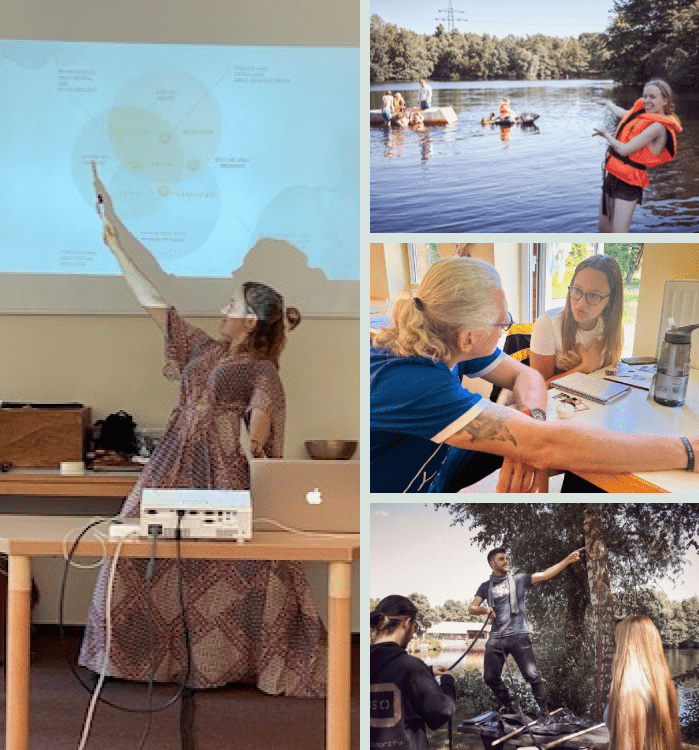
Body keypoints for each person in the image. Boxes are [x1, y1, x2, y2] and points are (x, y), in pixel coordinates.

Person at [78, 166, 326, 697]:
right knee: (133, 552)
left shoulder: (263, 372)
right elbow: (157, 308)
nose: (221, 310)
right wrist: (117, 247)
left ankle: (220, 662)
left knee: (224, 568)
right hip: (172, 458)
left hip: (219, 468)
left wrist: (252, 454)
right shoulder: (204, 350)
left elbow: (260, 440)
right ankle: (145, 659)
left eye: (231, 307)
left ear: (252, 321)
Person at [369, 256, 699, 493]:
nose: (506, 328)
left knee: (544, 443)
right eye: (503, 322)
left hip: (440, 463)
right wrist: (684, 450)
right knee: (557, 447)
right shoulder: (411, 383)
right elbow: (546, 442)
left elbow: (528, 378)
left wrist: (530, 422)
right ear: (468, 336)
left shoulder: (441, 336)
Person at [469, 547, 584, 718]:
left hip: (518, 635)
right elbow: (472, 608)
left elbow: (545, 574)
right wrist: (486, 611)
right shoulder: (485, 587)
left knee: (532, 675)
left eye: (507, 558)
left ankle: (544, 711)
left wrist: (567, 560)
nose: (506, 561)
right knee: (489, 677)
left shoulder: (519, 579)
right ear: (492, 564)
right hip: (496, 637)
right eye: (502, 559)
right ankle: (508, 707)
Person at [594, 79, 683, 233]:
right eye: (645, 96)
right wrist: (608, 104)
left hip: (629, 181)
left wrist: (606, 135)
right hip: (613, 174)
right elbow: (622, 113)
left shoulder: (658, 126)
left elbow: (624, 150)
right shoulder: (643, 115)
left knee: (618, 234)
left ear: (665, 100)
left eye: (652, 97)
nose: (647, 101)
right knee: (603, 230)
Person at [371, 595, 456, 750]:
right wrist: (448, 682)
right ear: (407, 623)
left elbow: (387, 674)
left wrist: (428, 671)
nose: (412, 634)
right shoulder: (412, 667)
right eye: (415, 627)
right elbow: (442, 712)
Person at [530, 254, 624, 386]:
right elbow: (538, 387)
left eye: (593, 295)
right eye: (577, 290)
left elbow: (607, 382)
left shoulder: (612, 328)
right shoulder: (548, 323)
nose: (580, 304)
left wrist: (580, 370)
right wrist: (584, 368)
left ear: (611, 300)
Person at [592, 615, 682, 750]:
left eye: (619, 643)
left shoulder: (630, 691)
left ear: (628, 647)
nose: (616, 650)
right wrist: (606, 746)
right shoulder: (664, 687)